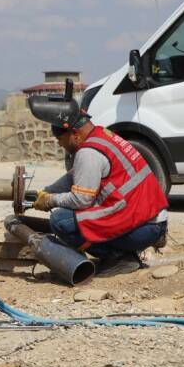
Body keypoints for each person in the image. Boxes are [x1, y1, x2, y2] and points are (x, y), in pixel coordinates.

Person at [30, 103, 168, 273]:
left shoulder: (88, 153)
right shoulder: (102, 134)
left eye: (60, 139)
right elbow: (74, 176)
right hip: (151, 219)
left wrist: (50, 201)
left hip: (143, 228)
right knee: (72, 217)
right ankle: (126, 250)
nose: (60, 145)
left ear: (74, 134)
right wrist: (47, 191)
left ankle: (119, 258)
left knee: (60, 221)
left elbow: (81, 200)